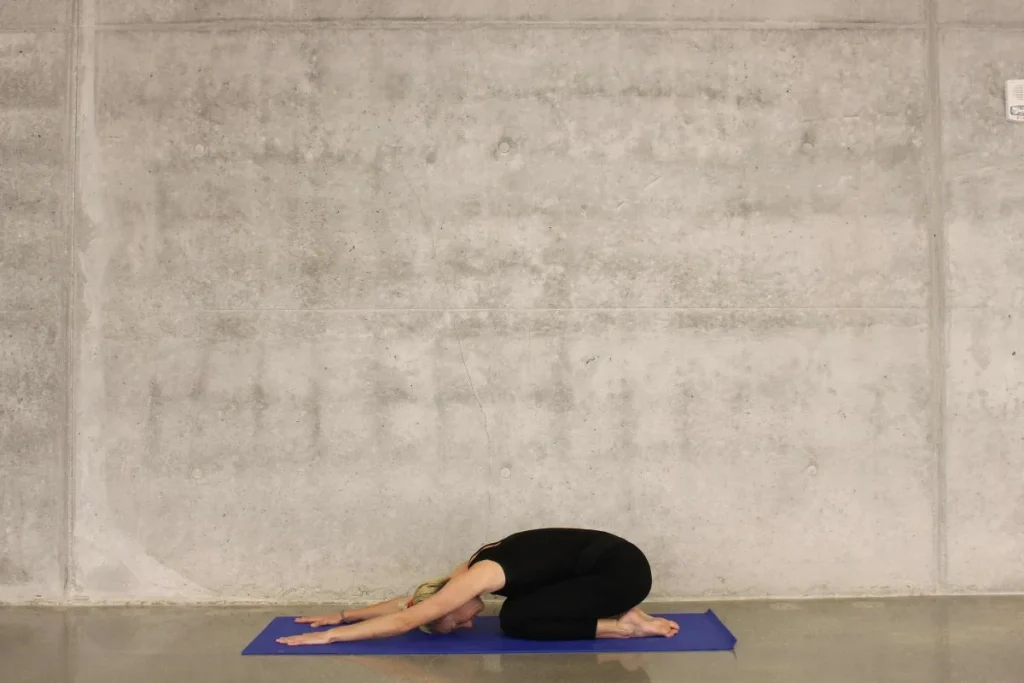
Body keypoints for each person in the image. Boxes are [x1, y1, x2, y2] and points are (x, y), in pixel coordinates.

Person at [276, 527, 679, 646]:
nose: (468, 625)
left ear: (449, 605)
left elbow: (408, 619)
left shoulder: (482, 577)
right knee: (524, 602)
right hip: (613, 562)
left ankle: (624, 625)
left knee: (517, 619)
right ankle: (621, 612)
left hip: (621, 575)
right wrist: (347, 614)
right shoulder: (465, 574)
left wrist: (331, 638)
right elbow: (414, 602)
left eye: (453, 624)